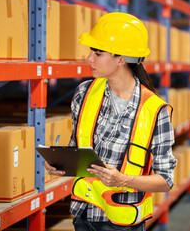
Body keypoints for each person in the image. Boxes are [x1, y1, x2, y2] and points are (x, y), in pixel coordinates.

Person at [45, 12, 177, 231]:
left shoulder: (154, 110)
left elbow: (166, 180)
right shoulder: (84, 93)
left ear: (121, 59)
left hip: (124, 221)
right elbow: (77, 148)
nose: (89, 59)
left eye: (98, 53)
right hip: (84, 214)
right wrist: (62, 163)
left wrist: (122, 180)